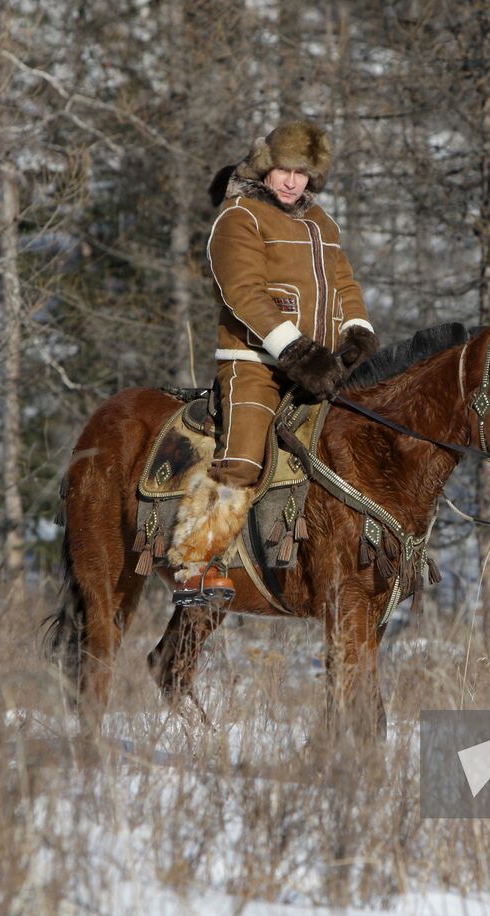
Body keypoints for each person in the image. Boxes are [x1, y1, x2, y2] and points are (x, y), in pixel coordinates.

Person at [167, 120, 379, 596]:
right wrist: (296, 352)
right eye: (283, 169)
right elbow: (243, 292)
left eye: (302, 174)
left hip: (322, 367)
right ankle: (198, 561)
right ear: (266, 167)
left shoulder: (323, 224)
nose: (291, 182)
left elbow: (344, 285)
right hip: (254, 362)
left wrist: (358, 334)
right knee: (242, 457)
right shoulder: (239, 216)